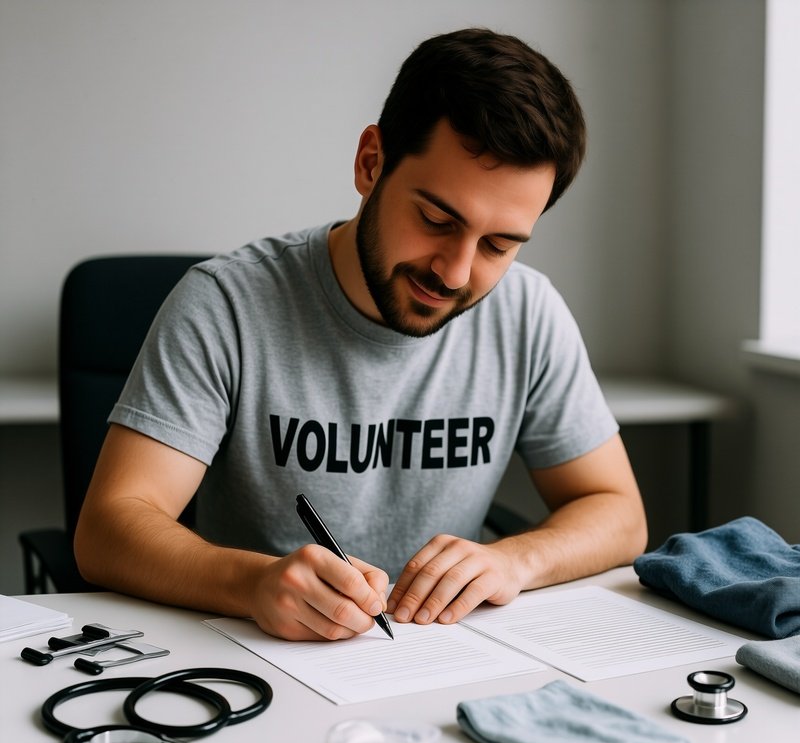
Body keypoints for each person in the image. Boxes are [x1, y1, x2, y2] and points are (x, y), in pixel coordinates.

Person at [74, 27, 647, 641]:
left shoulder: (528, 313)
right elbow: (108, 529)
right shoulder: (227, 304)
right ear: (371, 163)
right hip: (259, 656)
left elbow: (619, 513)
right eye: (435, 219)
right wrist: (253, 583)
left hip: (441, 662)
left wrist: (513, 559)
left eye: (498, 244)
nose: (455, 271)